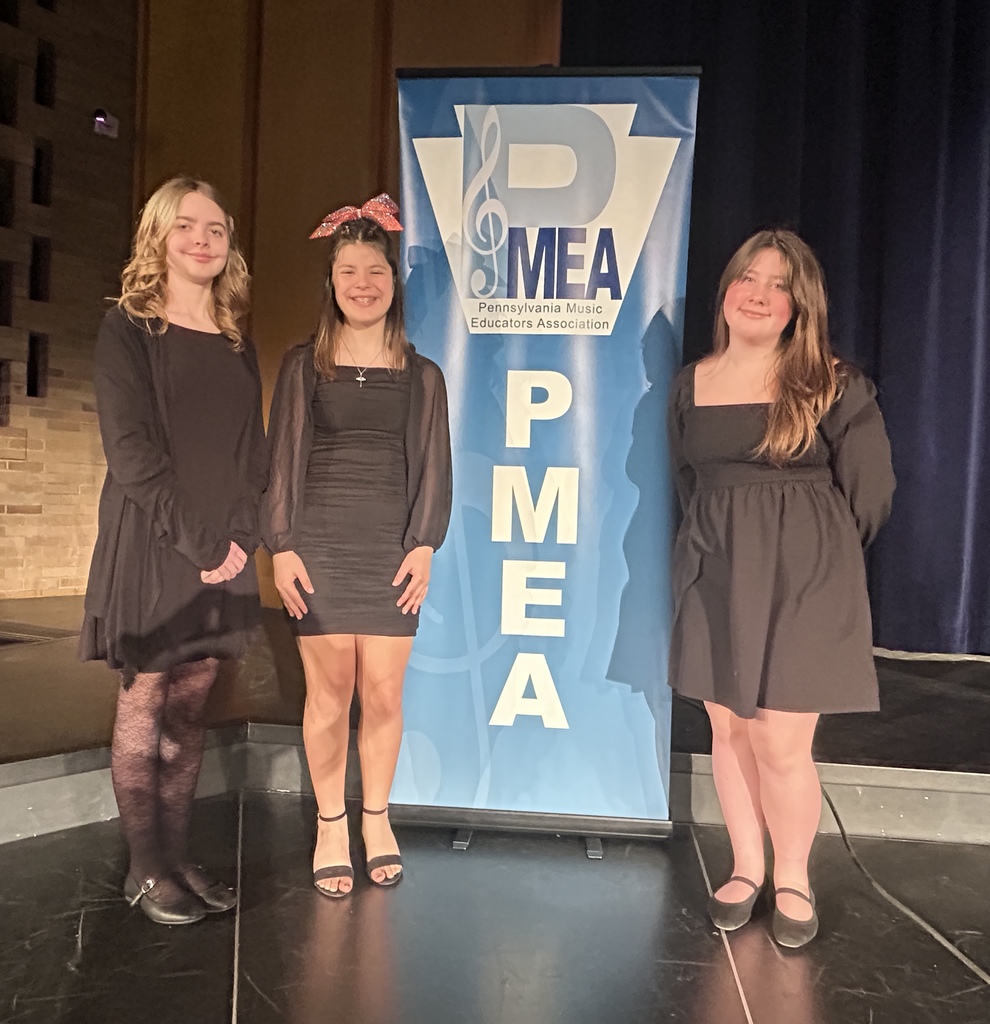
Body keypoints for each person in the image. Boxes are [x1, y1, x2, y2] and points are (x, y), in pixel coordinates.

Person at [666, 229, 895, 948]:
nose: (759, 294)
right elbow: (686, 480)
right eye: (748, 279)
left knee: (780, 742)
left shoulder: (832, 381)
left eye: (777, 285)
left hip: (807, 574)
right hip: (715, 566)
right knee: (727, 727)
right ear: (727, 290)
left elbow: (871, 493)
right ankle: (745, 867)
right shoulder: (691, 381)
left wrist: (815, 555)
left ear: (799, 306)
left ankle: (792, 877)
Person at [80, 177, 268, 925]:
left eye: (216, 229)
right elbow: (131, 453)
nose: (202, 240)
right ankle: (144, 865)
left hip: (223, 550)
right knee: (146, 699)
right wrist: (202, 544)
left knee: (191, 709)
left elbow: (253, 453)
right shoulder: (127, 329)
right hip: (157, 544)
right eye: (186, 226)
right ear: (158, 235)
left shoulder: (236, 342)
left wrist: (242, 537)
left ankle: (178, 854)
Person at [262, 194, 451, 898]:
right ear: (332, 282)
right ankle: (331, 825)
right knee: (330, 692)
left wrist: (423, 544)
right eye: (349, 269)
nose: (362, 282)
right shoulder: (303, 367)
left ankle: (377, 819)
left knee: (384, 693)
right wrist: (281, 545)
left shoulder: (422, 375)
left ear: (393, 281)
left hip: (390, 551)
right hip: (319, 546)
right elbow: (280, 460)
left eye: (375, 268)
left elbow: (434, 466)